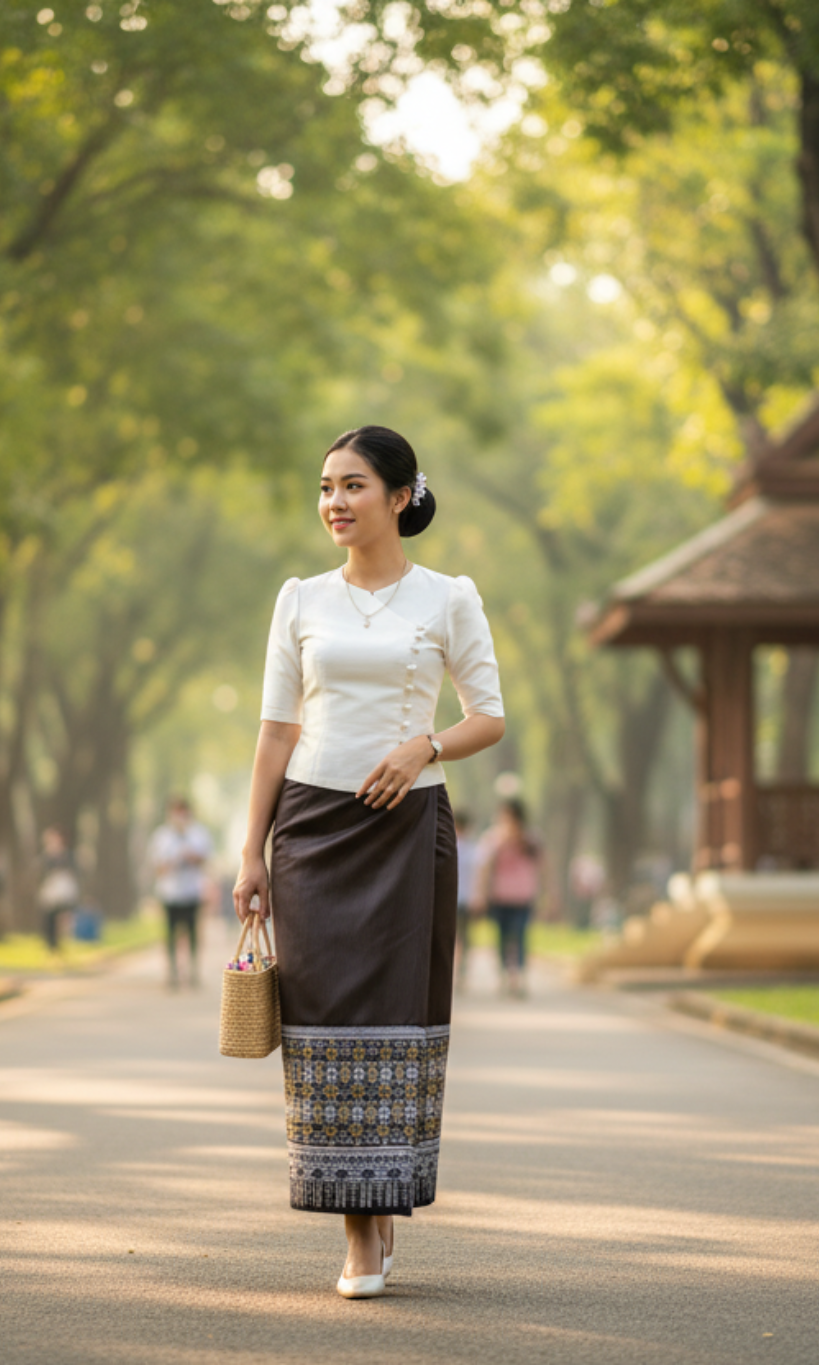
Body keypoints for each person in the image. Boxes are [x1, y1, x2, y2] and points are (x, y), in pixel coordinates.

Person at [232, 425, 506, 1300]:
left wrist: (421, 747)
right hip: (311, 826)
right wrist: (251, 849)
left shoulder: (448, 597)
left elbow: (488, 716)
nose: (334, 503)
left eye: (353, 485)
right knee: (321, 1023)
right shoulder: (299, 599)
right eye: (324, 487)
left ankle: (378, 1211)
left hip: (406, 825)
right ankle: (356, 1222)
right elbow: (276, 729)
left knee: (394, 1016)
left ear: (400, 496)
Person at [476, 799, 542, 1000]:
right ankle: (505, 974)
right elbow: (484, 869)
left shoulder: (531, 839)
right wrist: (480, 895)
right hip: (500, 897)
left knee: (520, 936)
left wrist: (552, 896)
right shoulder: (493, 838)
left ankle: (518, 978)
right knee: (503, 938)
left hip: (523, 897)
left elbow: (545, 868)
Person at [149, 796, 214, 989]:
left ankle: (193, 971)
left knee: (193, 933)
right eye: (176, 812)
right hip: (169, 893)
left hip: (192, 891)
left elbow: (206, 859)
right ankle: (173, 972)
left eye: (183, 811)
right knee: (170, 934)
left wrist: (192, 855)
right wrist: (173, 860)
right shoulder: (161, 836)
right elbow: (157, 867)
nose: (180, 816)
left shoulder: (199, 833)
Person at [38, 826, 79, 955]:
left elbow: (74, 870)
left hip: (64, 889)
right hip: (51, 889)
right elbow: (42, 872)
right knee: (49, 917)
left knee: (64, 918)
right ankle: (52, 946)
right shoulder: (46, 856)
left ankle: (63, 943)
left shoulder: (68, 855)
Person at [453, 809, 482, 988]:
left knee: (459, 939)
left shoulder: (450, 845)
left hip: (460, 899)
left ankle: (459, 972)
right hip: (465, 899)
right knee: (463, 939)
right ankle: (460, 972)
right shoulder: (473, 849)